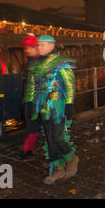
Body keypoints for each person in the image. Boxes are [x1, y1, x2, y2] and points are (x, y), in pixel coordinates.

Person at [29, 35, 79, 184]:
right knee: (49, 139)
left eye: (43, 44)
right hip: (42, 107)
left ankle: (72, 156)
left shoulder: (61, 62)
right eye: (38, 45)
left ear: (52, 46)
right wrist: (32, 105)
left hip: (58, 106)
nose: (40, 47)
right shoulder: (36, 64)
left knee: (57, 136)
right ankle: (57, 169)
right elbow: (33, 86)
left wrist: (70, 104)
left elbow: (70, 84)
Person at [19, 34, 41, 160]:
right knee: (33, 125)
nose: (26, 50)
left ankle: (27, 150)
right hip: (31, 100)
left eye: (29, 48)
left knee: (34, 125)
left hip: (34, 100)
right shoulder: (33, 61)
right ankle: (27, 149)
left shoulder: (36, 62)